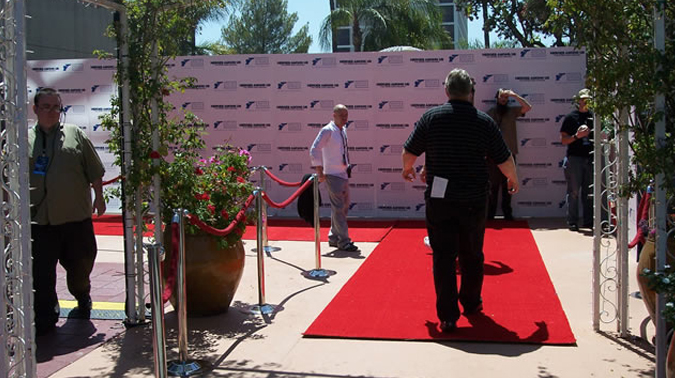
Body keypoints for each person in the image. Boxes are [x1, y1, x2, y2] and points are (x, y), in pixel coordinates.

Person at [401, 69, 518, 333]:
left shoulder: (431, 118)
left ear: (446, 91)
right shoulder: (483, 121)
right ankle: (471, 303)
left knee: (443, 257)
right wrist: (513, 179)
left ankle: (448, 316)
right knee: (472, 254)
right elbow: (504, 157)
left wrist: (407, 168)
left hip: (440, 199)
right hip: (474, 199)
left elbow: (409, 151)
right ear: (470, 93)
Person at [28, 87, 106, 335]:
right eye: (46, 107)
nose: (52, 112)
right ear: (35, 109)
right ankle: (46, 317)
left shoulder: (75, 135)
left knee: (80, 267)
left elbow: (94, 170)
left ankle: (82, 294)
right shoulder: (24, 139)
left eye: (56, 107)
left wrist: (99, 197)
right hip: (40, 221)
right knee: (41, 275)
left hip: (75, 219)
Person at [309, 104, 359, 252]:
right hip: (332, 174)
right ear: (334, 115)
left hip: (343, 173)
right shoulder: (327, 130)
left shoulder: (343, 130)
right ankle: (344, 241)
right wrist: (320, 171)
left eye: (346, 115)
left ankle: (334, 237)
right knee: (338, 208)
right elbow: (314, 149)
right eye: (342, 115)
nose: (345, 118)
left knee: (342, 208)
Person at [486, 88, 532, 220]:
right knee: (493, 186)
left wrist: (515, 95)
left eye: (506, 98)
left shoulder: (512, 111)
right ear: (497, 98)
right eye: (501, 97)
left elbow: (528, 107)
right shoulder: (490, 113)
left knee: (509, 184)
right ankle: (491, 213)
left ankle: (507, 213)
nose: (503, 100)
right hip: (493, 155)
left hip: (509, 154)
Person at [560, 88, 594, 231]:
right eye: (583, 99)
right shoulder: (570, 118)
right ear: (578, 101)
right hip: (575, 159)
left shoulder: (595, 117)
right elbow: (563, 140)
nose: (585, 102)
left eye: (588, 99)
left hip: (591, 158)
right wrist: (576, 136)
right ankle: (572, 221)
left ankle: (588, 221)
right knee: (574, 191)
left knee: (589, 192)